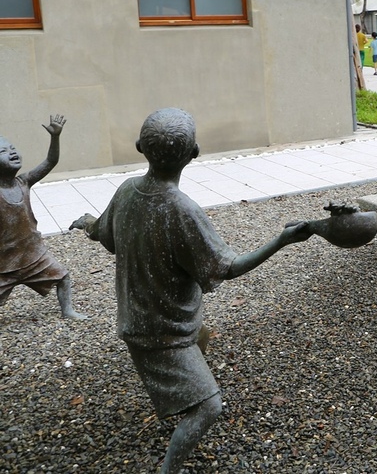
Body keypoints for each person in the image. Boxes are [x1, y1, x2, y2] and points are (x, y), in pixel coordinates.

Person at [69, 108, 312, 474]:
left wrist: (89, 224)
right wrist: (282, 240)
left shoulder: (126, 191)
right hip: (160, 332)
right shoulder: (183, 210)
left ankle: (178, 390)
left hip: (142, 318)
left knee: (201, 334)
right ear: (195, 152)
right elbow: (227, 267)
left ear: (140, 147)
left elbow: (107, 235)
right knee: (209, 406)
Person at [0, 115, 86, 320]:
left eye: (12, 148)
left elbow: (50, 161)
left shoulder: (24, 182)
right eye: (3, 151)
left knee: (63, 276)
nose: (11, 152)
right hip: (4, 263)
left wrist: (55, 138)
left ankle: (68, 310)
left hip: (34, 255)